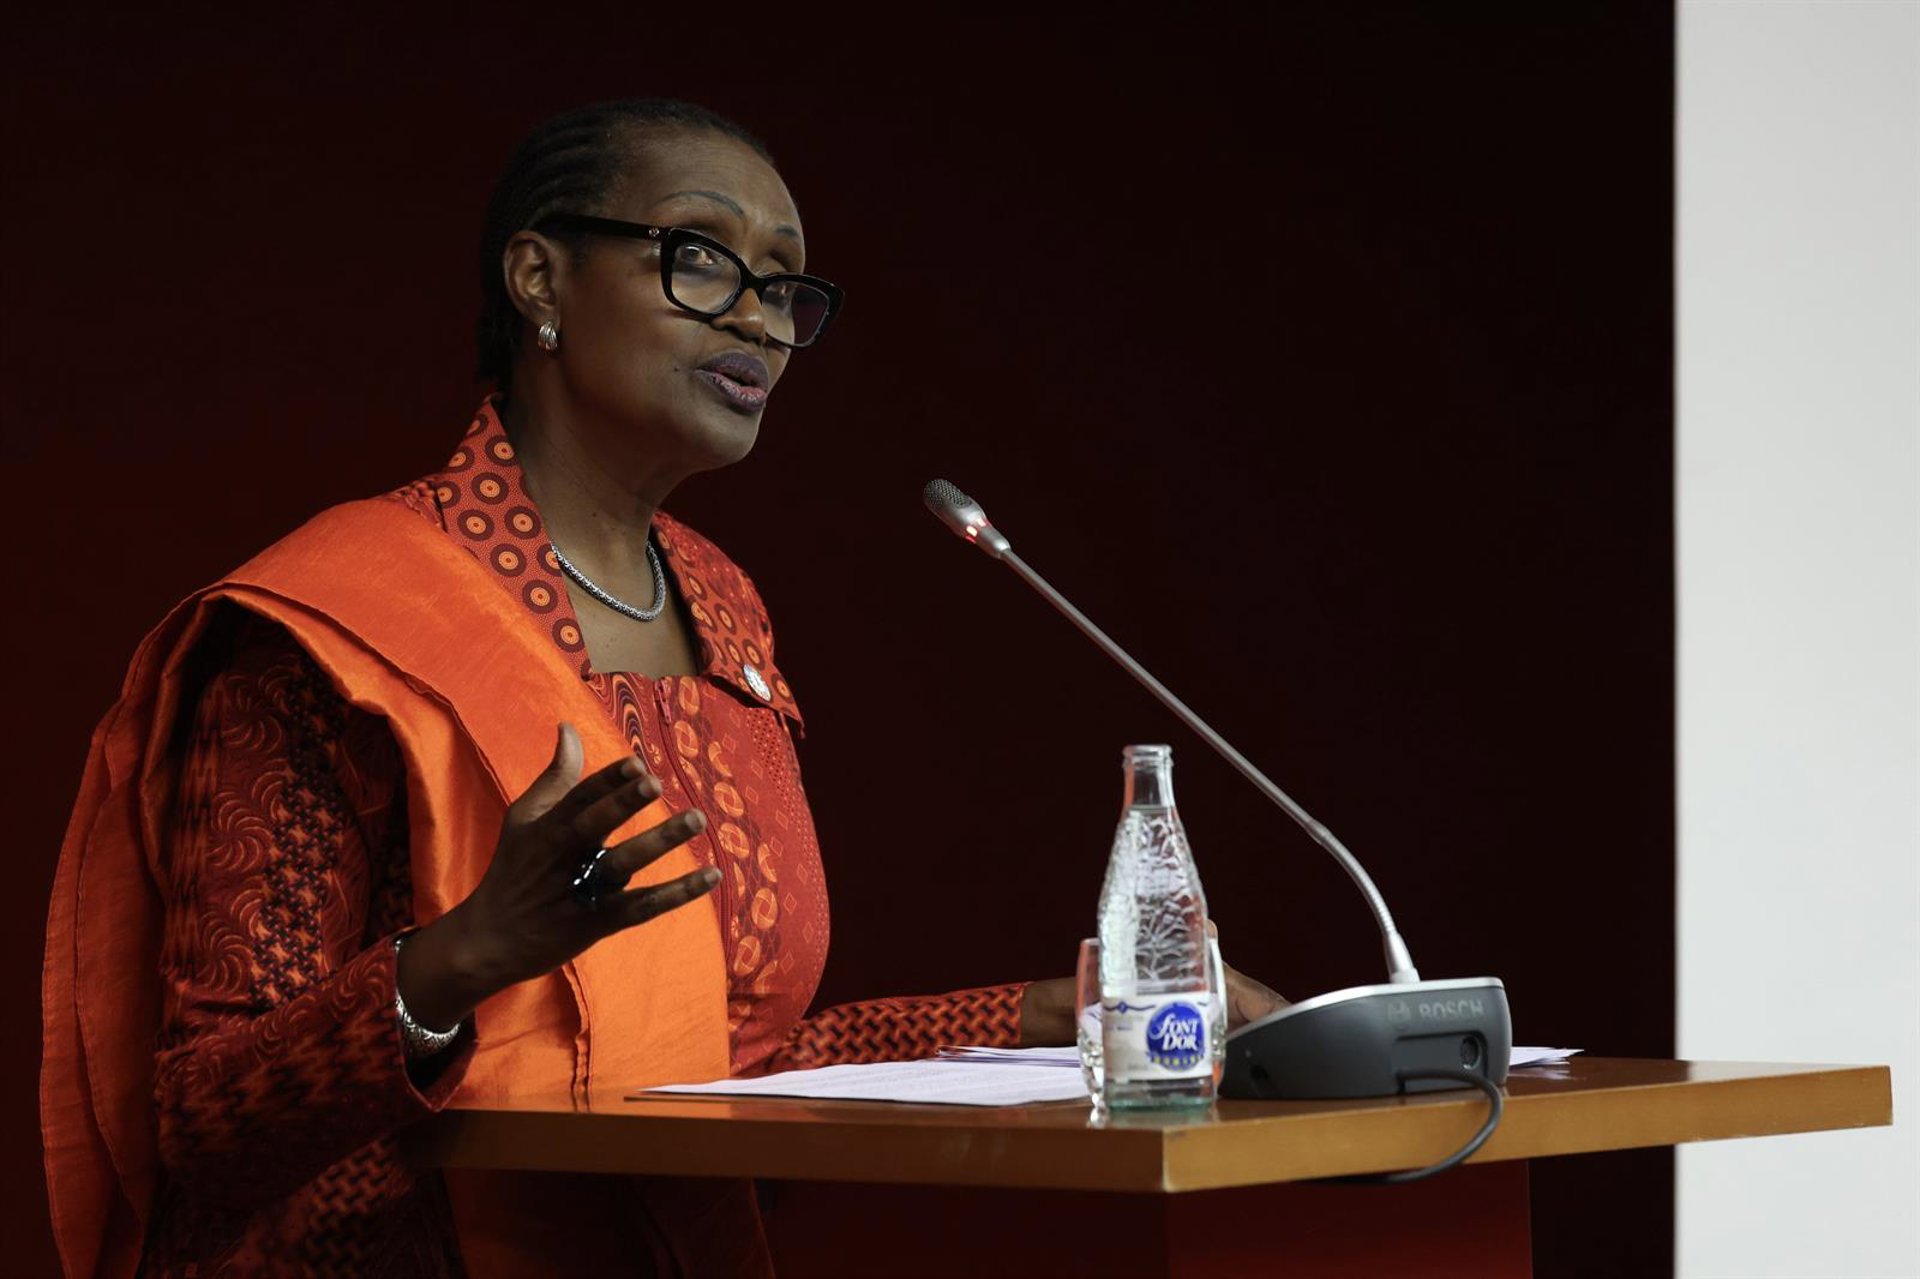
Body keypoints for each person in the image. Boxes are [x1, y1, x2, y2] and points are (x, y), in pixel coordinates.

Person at [41, 98, 1285, 1278]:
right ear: (540, 278)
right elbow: (203, 1119)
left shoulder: (723, 604)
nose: (758, 320)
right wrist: (462, 956)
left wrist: (1065, 1012)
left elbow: (729, 1062)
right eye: (701, 257)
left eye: (782, 286)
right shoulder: (340, 623)